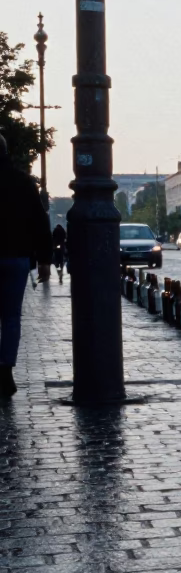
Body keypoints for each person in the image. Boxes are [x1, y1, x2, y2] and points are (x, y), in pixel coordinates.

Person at [0, 133, 53, 398]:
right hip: (16, 258)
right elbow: (39, 222)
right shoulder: (23, 182)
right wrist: (44, 260)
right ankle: (6, 369)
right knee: (10, 317)